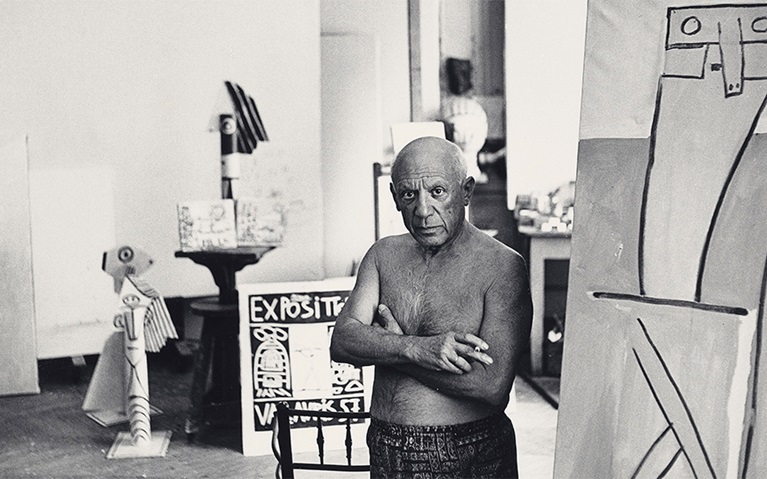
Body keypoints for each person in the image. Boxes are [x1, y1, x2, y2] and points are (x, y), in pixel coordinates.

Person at [330, 136, 533, 478]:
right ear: (395, 197)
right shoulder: (382, 255)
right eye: (409, 194)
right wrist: (415, 348)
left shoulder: (502, 266)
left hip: (467, 446)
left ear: (465, 191)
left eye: (438, 192)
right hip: (384, 444)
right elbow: (342, 342)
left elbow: (491, 386)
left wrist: (388, 350)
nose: (423, 211)